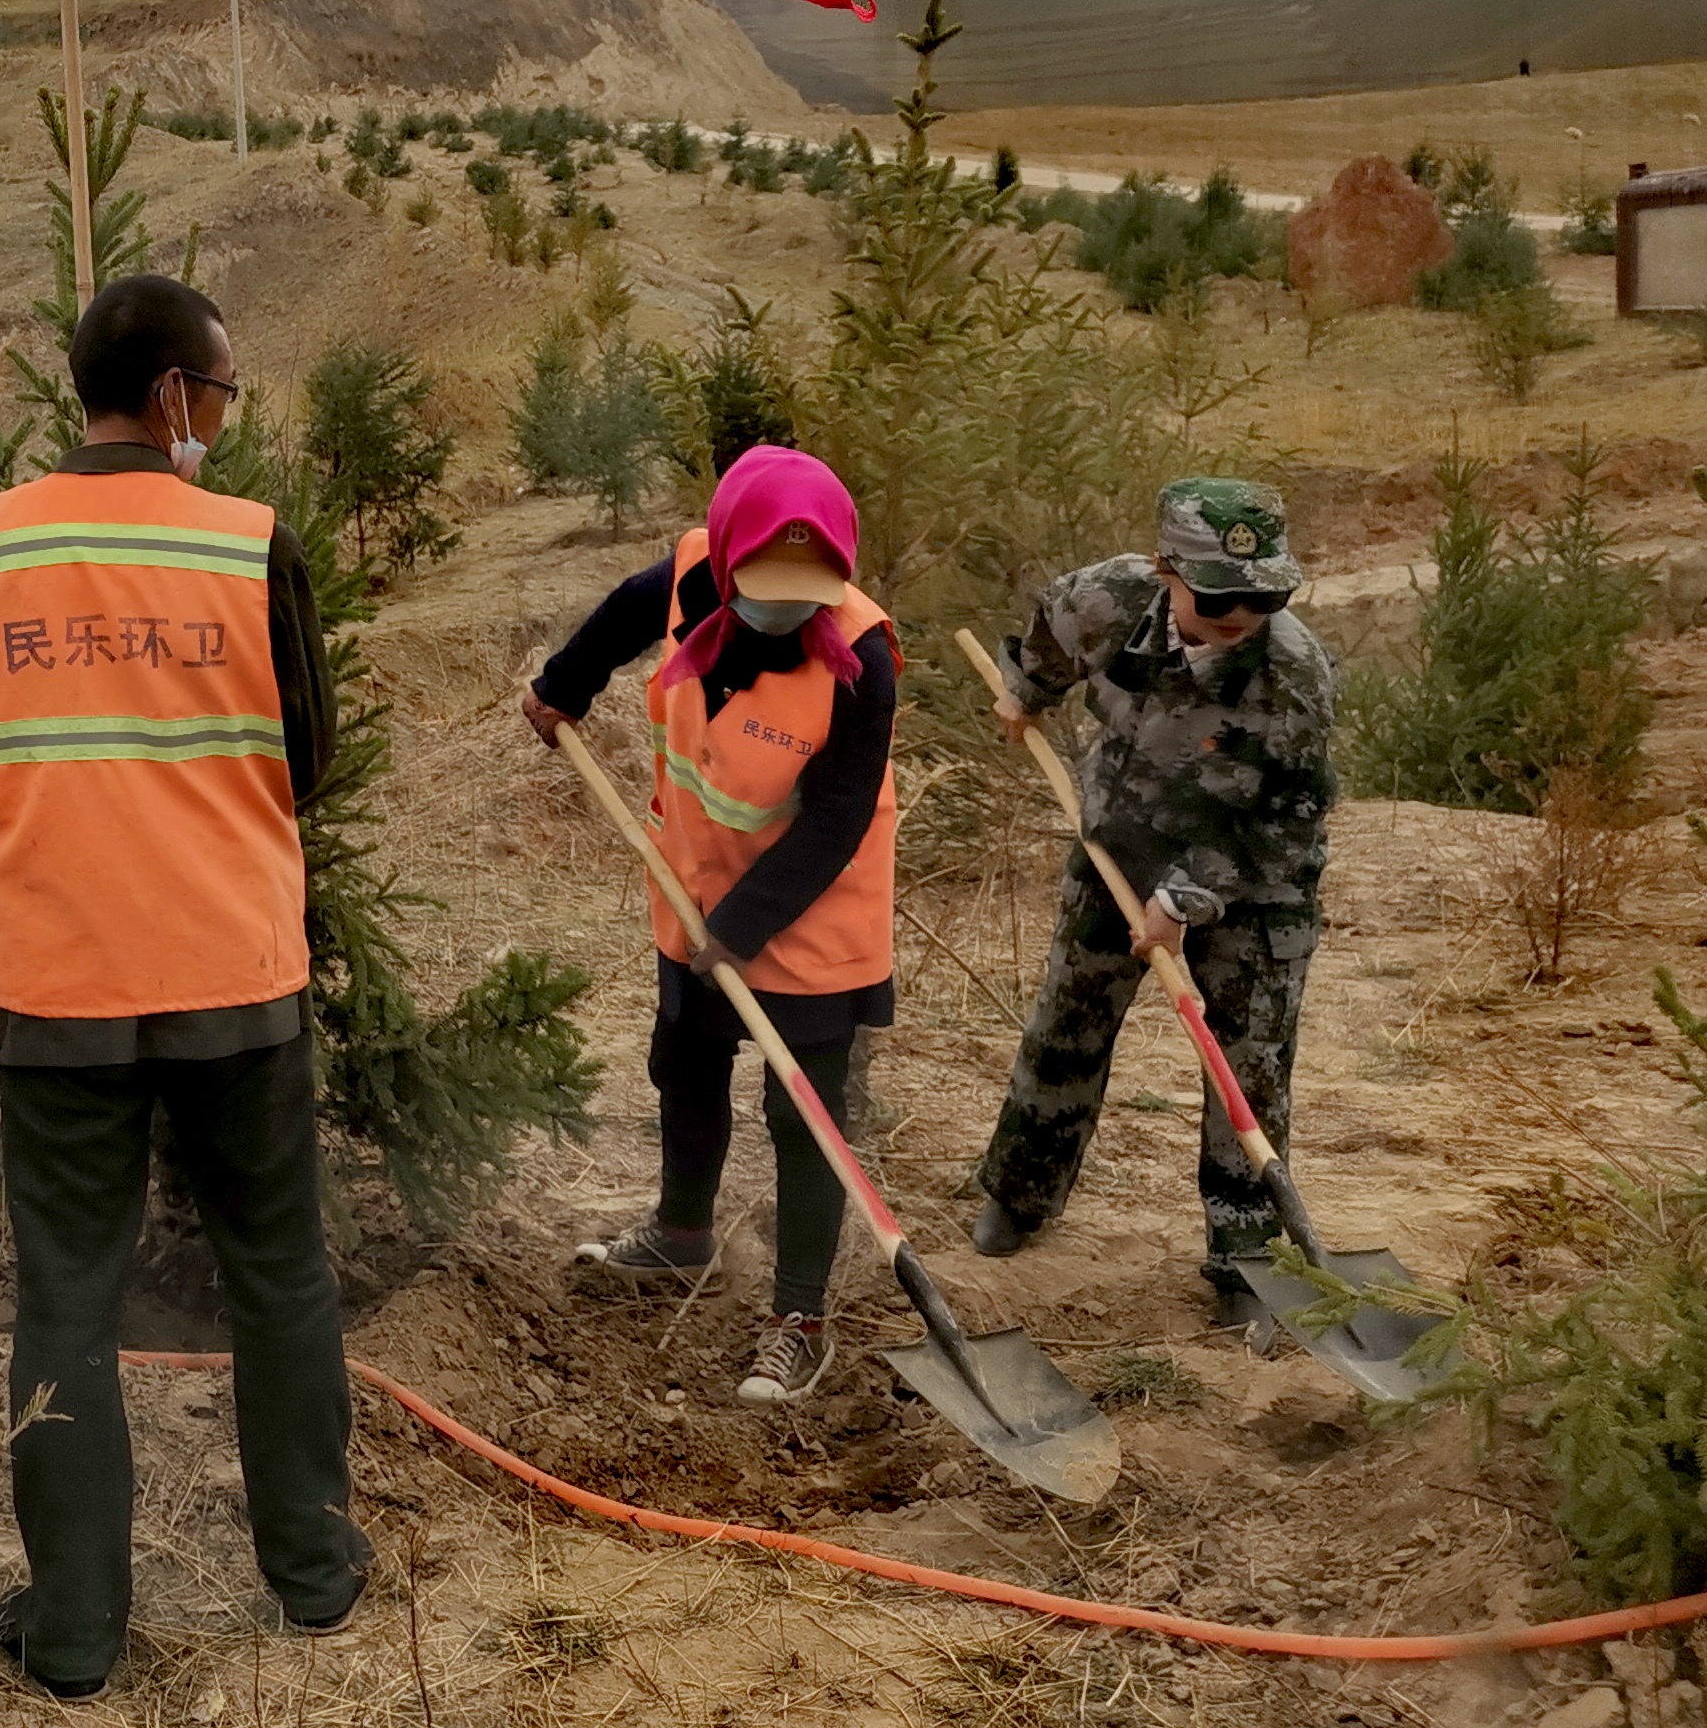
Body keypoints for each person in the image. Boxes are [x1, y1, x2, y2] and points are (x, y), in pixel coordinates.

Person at [0, 270, 363, 1703]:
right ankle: (317, 1576)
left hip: (66, 986)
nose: (220, 418)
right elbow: (314, 754)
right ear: (171, 397)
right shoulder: (250, 547)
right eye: (218, 394)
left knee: (67, 1301)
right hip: (238, 975)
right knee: (278, 1273)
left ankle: (78, 1633)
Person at [520, 445, 899, 1410]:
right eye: (762, 589)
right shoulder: (693, 573)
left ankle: (799, 1319)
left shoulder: (863, 661)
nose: (783, 610)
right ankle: (681, 1236)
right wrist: (563, 685)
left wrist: (742, 926)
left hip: (813, 909)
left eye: (804, 593)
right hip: (692, 885)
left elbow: (836, 820)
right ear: (728, 562)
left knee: (801, 1115)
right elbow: (619, 615)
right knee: (685, 1056)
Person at [969, 478, 1339, 1322]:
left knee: (1249, 1062)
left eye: (1263, 594)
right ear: (1164, 569)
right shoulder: (1113, 597)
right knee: (1068, 1019)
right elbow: (1051, 629)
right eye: (1217, 594)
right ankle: (1021, 1195)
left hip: (1257, 877)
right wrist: (1026, 691)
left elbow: (1282, 818)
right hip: (1120, 842)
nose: (1242, 611)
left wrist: (1185, 901)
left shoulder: (1293, 674)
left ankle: (1246, 1252)